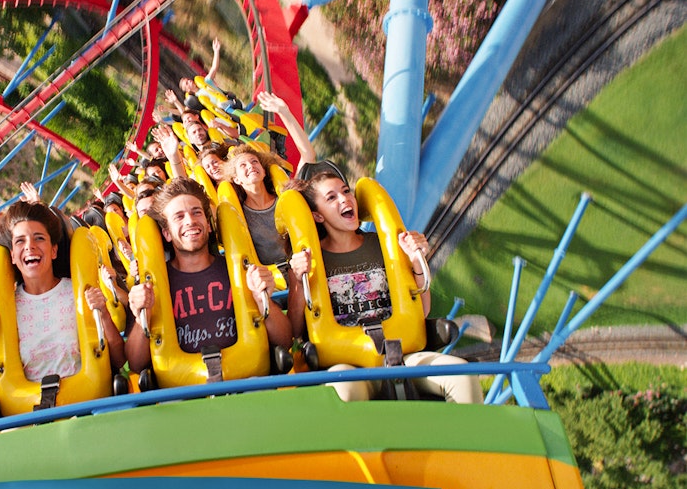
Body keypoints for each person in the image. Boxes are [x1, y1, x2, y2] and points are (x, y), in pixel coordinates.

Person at [286, 166, 482, 404]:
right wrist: (298, 279)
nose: (345, 199)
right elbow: (296, 330)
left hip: (401, 353)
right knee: (343, 391)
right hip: (349, 363)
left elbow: (421, 309)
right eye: (332, 197)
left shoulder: (385, 244)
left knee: (461, 375)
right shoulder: (310, 260)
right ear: (318, 215)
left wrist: (416, 260)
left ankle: (458, 440)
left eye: (346, 191)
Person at [125, 177, 291, 374]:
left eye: (197, 213)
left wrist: (264, 300)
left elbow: (285, 340)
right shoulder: (153, 285)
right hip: (187, 395)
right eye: (179, 217)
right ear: (167, 233)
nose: (190, 221)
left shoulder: (239, 272)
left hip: (248, 383)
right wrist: (141, 315)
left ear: (209, 224)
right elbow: (136, 365)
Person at [0, 200, 126, 385]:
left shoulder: (78, 292)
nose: (29, 246)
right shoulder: (5, 308)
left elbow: (119, 359)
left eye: (39, 238)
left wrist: (104, 314)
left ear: (53, 250)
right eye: (20, 241)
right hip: (31, 408)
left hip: (86, 401)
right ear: (12, 255)